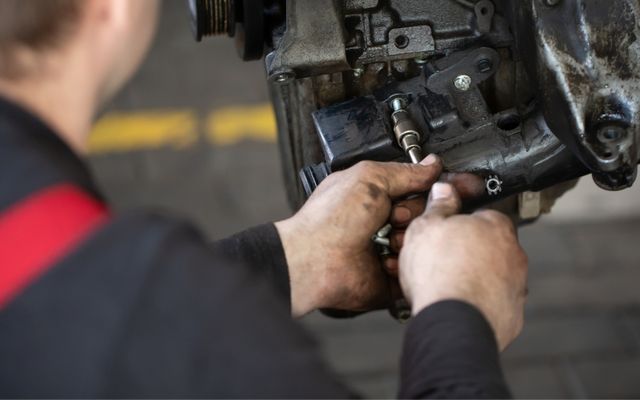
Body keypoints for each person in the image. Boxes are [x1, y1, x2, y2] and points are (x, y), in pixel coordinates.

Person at [0, 0, 528, 397]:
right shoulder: (160, 314)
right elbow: (134, 318)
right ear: (109, 9)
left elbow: (75, 302)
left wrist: (294, 257)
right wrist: (457, 314)